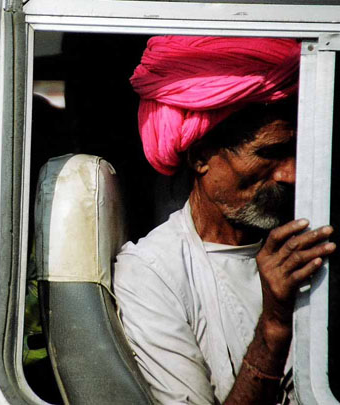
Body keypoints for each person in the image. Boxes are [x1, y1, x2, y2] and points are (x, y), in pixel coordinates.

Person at [113, 36, 335, 404]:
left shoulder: (312, 232)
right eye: (270, 154)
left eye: (295, 153)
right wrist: (274, 325)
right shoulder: (154, 273)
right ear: (201, 157)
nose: (290, 175)